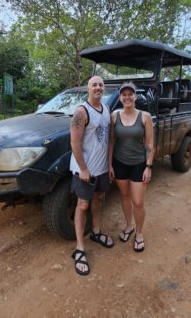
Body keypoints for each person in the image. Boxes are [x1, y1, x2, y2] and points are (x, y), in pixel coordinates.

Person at [70, 75, 114, 276]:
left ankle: (96, 232)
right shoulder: (82, 111)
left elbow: (109, 140)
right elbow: (75, 143)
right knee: (83, 205)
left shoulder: (106, 110)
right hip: (84, 170)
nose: (98, 87)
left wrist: (110, 164)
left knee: (98, 198)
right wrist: (83, 169)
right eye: (94, 84)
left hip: (102, 168)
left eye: (101, 85)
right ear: (88, 89)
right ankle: (80, 248)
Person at [108, 82, 154, 253]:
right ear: (120, 97)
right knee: (125, 196)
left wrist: (148, 166)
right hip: (119, 162)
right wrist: (109, 164)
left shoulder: (145, 116)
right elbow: (111, 141)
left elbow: (149, 143)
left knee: (138, 201)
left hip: (139, 164)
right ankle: (129, 226)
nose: (127, 97)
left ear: (135, 96)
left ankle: (139, 233)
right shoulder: (114, 116)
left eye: (130, 94)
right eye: (124, 94)